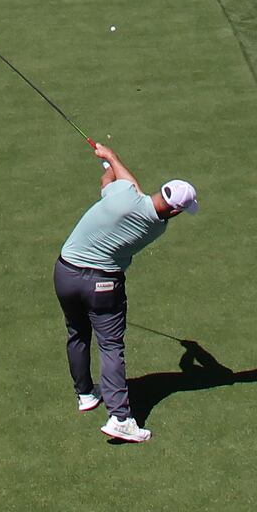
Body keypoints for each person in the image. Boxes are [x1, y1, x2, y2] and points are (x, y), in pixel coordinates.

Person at [54, 141, 195, 446]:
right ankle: (120, 418)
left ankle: (85, 395)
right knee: (110, 347)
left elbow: (115, 185)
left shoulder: (124, 196)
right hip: (102, 284)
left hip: (64, 271)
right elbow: (132, 190)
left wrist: (110, 162)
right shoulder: (157, 227)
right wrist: (112, 160)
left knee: (77, 333)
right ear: (174, 210)